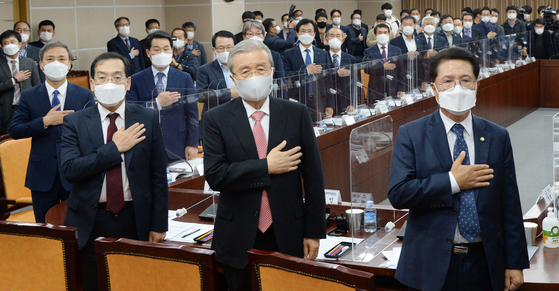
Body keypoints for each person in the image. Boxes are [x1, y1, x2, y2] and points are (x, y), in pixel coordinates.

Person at [388, 46, 529, 291]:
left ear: (476, 85)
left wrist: (515, 262)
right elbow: (399, 193)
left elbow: (509, 203)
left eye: (466, 81)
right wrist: (452, 181)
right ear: (434, 88)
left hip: (484, 262)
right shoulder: (411, 134)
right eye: (448, 81)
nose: (458, 88)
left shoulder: (497, 135)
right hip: (430, 263)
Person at [203, 39, 326, 291]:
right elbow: (216, 176)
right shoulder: (216, 118)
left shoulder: (297, 113)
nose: (254, 76)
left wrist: (314, 231)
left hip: (289, 233)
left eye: (260, 69)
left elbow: (314, 178)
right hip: (237, 236)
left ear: (272, 71)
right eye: (245, 71)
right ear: (233, 76)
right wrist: (265, 166)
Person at [61, 52, 168, 291]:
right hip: (91, 219)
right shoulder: (75, 122)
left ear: (128, 83)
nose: (109, 83)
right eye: (102, 77)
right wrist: (114, 149)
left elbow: (158, 176)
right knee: (92, 282)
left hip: (135, 217)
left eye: (117, 77)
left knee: (136, 282)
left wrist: (159, 224)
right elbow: (70, 170)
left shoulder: (147, 118)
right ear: (92, 84)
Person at [9, 40, 94, 223]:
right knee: (45, 227)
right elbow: (15, 130)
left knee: (77, 227)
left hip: (75, 173)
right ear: (41, 65)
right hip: (42, 175)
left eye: (62, 59)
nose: (56, 63)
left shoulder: (84, 94)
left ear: (70, 63)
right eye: (50, 59)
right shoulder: (29, 95)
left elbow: (94, 131)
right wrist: (44, 122)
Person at [126, 31, 198, 162]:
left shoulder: (184, 78)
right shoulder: (135, 79)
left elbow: (192, 113)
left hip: (177, 144)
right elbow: (130, 110)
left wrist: (192, 143)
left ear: (171, 51)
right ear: (148, 53)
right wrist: (156, 103)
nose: (162, 53)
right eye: (157, 50)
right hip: (145, 144)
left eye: (166, 49)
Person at [282, 19, 333, 119]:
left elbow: (329, 80)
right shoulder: (288, 54)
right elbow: (286, 76)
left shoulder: (323, 54)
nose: (306, 34)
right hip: (297, 99)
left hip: (319, 100)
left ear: (314, 33)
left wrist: (330, 104)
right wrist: (306, 71)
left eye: (309, 31)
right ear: (297, 33)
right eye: (303, 31)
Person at [196, 30, 238, 140]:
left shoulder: (244, 67)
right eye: (221, 48)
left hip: (240, 118)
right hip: (215, 121)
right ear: (214, 50)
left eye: (229, 47)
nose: (225, 51)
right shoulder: (204, 70)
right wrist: (229, 93)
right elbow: (201, 95)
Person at [0, 30, 40, 134]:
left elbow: (37, 86)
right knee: (8, 142)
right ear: (1, 46)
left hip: (27, 108)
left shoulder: (29, 62)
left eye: (12, 42)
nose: (9, 45)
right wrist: (14, 80)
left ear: (20, 44)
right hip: (6, 111)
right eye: (6, 43)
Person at [363, 23, 404, 102]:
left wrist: (401, 88)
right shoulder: (369, 51)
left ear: (389, 34)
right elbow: (366, 69)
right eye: (380, 32)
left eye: (385, 32)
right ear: (375, 36)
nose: (383, 35)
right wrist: (382, 67)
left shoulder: (396, 50)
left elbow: (401, 70)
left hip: (393, 88)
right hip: (376, 90)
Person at [325, 27, 356, 115]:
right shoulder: (322, 57)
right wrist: (336, 73)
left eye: (338, 36)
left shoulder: (350, 59)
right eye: (332, 35)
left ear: (342, 40)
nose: (335, 38)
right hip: (327, 100)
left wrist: (352, 101)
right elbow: (321, 77)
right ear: (327, 40)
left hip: (345, 99)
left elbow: (354, 82)